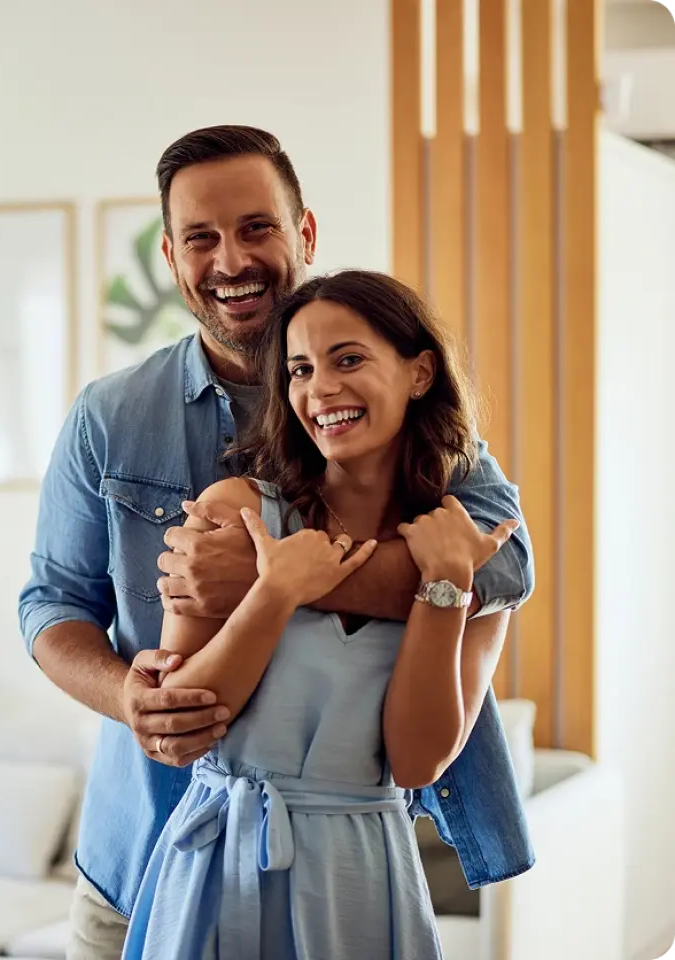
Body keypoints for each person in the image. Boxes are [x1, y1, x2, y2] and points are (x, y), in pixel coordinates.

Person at [18, 125, 534, 958]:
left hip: (351, 862)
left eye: (256, 227)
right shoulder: (109, 418)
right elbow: (51, 606)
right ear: (171, 256)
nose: (231, 260)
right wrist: (129, 699)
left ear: (305, 232)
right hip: (141, 856)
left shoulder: (421, 436)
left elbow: (501, 565)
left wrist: (278, 576)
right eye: (201, 238)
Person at [120, 269, 533, 960]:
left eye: (348, 360)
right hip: (219, 864)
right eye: (301, 370)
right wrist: (275, 591)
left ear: (420, 373)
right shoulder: (237, 512)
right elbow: (185, 725)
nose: (321, 390)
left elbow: (417, 761)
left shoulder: (467, 552)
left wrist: (443, 587)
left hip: (362, 874)